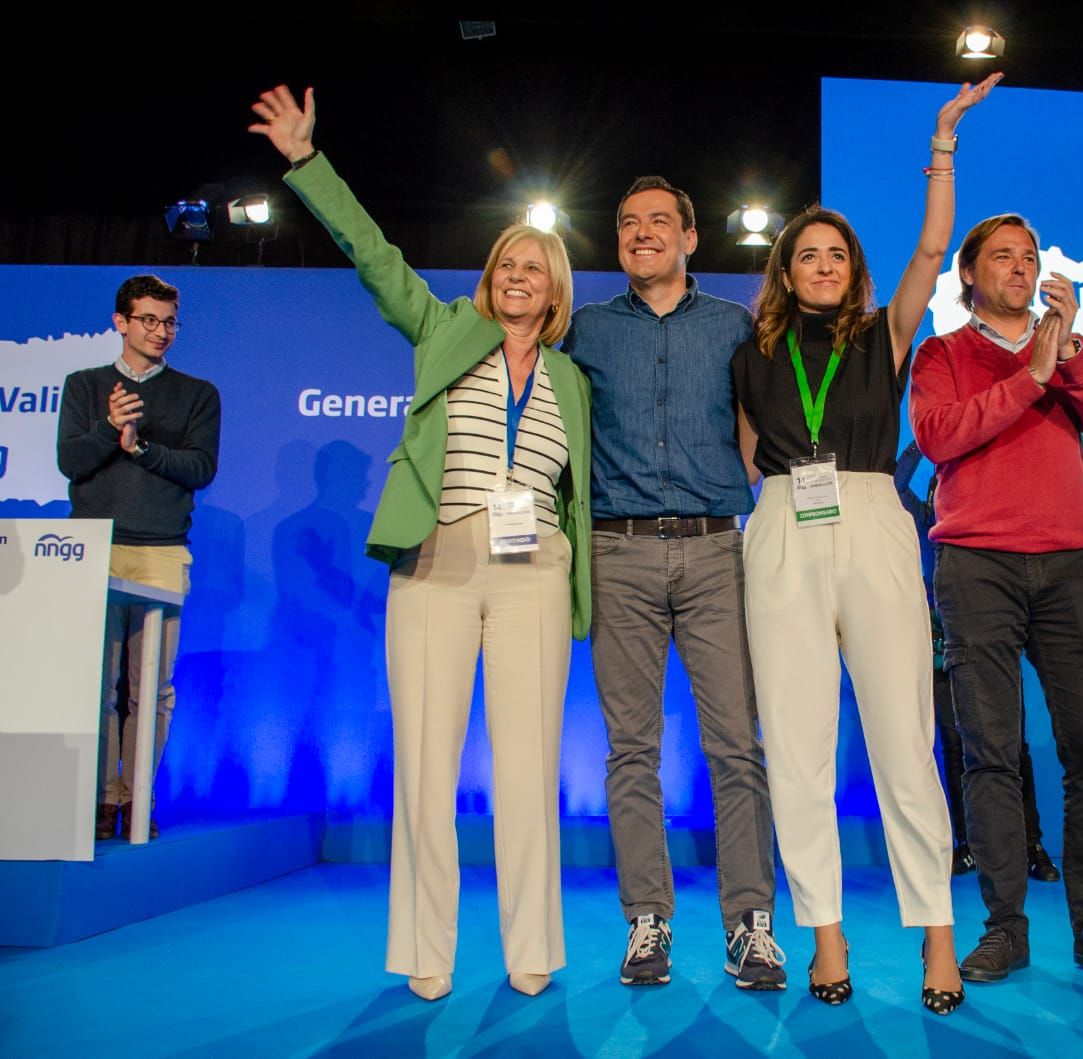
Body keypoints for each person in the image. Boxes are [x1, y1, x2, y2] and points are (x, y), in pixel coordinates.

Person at [249, 85, 592, 1002]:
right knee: (427, 766)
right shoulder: (444, 328)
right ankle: (426, 950)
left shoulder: (570, 376)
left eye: (536, 267)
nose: (519, 275)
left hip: (534, 573)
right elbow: (373, 253)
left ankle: (532, 949)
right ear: (491, 277)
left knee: (529, 771)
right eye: (506, 263)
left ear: (556, 288)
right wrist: (304, 162)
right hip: (438, 560)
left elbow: (577, 490)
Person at [734, 73, 1001, 1016]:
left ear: (853, 266)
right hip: (779, 529)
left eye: (836, 253)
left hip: (874, 516)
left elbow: (936, 244)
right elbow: (746, 455)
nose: (823, 265)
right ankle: (827, 934)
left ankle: (936, 933)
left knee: (903, 736)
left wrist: (943, 142)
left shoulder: (887, 335)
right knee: (798, 746)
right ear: (786, 268)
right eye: (807, 254)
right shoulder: (752, 352)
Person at [911, 214, 1083, 985]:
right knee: (990, 752)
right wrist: (1029, 378)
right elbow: (937, 436)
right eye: (1002, 257)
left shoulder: (1072, 352)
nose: (1020, 269)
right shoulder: (943, 353)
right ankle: (1005, 927)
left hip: (1068, 567)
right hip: (976, 564)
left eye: (1029, 258)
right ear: (968, 275)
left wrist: (1072, 355)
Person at [563, 178, 781, 990]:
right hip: (617, 554)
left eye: (659, 221)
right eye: (628, 224)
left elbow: (757, 438)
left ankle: (750, 926)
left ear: (691, 237)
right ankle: (647, 921)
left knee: (736, 745)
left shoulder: (733, 327)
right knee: (631, 750)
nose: (642, 233)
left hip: (716, 553)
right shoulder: (585, 331)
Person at [56, 274, 221, 842]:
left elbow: (200, 469)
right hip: (93, 549)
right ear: (120, 322)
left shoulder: (197, 393)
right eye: (149, 320)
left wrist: (142, 447)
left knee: (151, 688)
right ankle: (102, 799)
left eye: (169, 321)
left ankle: (138, 798)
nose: (161, 332)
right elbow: (70, 463)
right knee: (96, 686)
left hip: (161, 550)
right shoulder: (84, 385)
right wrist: (110, 428)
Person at [893, 441, 1059, 882]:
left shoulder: (991, 514)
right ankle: (968, 845)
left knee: (1012, 745)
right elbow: (893, 484)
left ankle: (1031, 845)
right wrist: (921, 445)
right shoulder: (923, 518)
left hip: (992, 636)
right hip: (942, 647)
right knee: (954, 749)